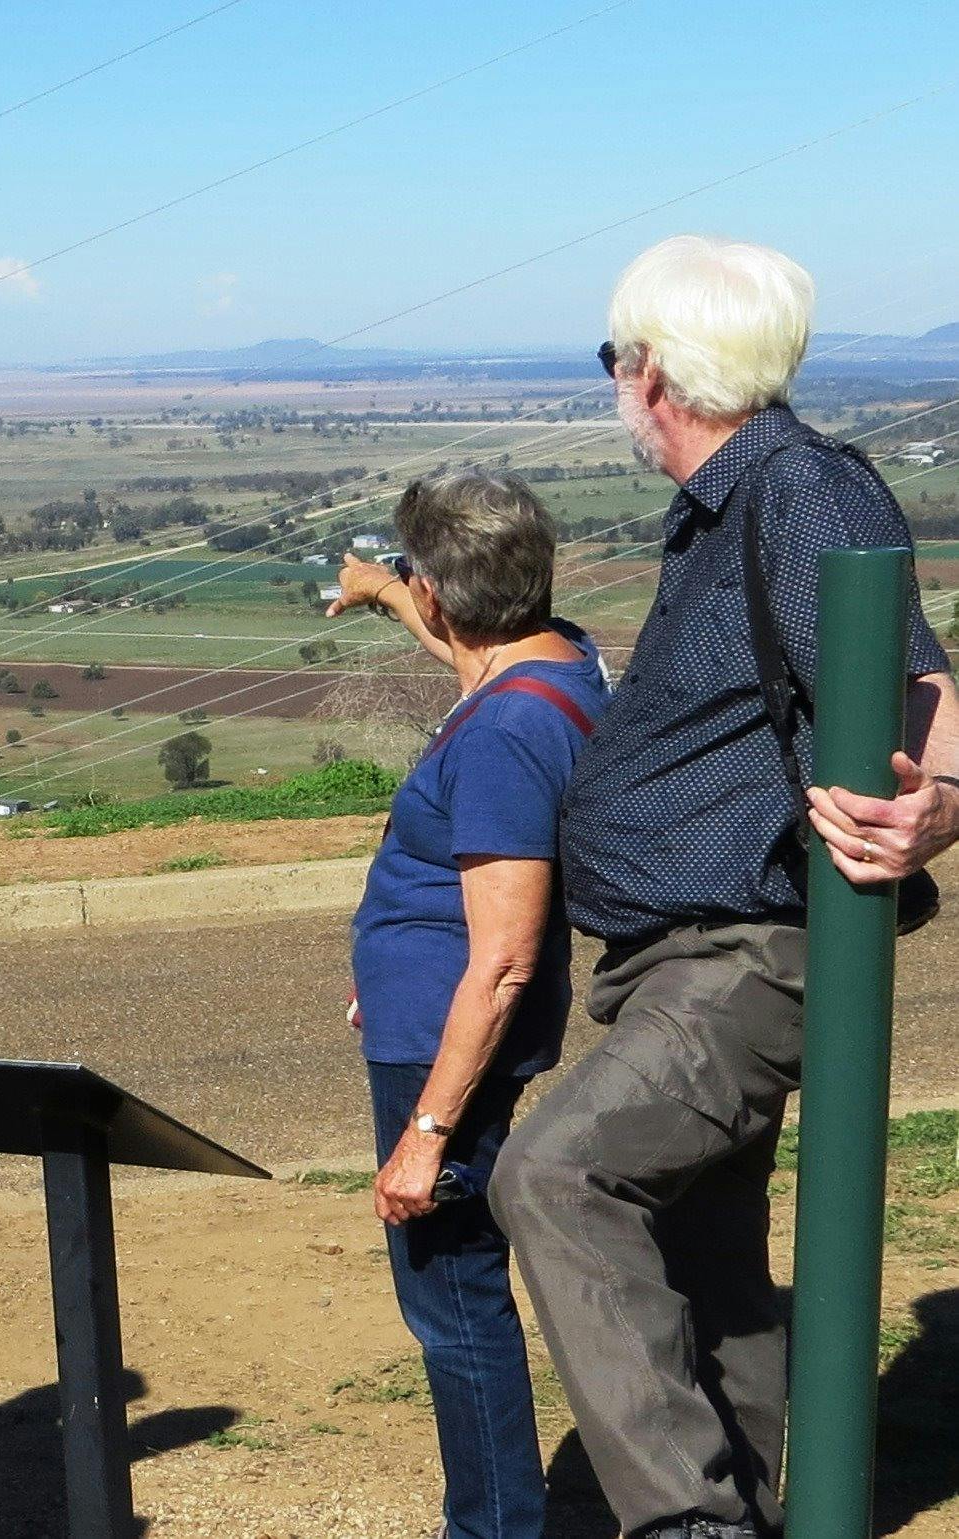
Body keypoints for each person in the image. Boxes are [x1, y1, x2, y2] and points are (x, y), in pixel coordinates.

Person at [488, 235, 959, 1539]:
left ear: (651, 371)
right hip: (684, 953)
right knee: (710, 1276)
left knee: (553, 1174)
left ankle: (690, 1524)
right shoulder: (731, 501)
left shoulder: (800, 491)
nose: (616, 384)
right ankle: (747, 1502)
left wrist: (945, 805)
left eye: (612, 359)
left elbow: (920, 687)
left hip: (740, 958)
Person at [332, 471, 608, 1539]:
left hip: (443, 1044)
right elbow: (470, 652)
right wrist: (382, 591)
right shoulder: (559, 662)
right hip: (440, 1026)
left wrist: (425, 1136)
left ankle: (493, 1527)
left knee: (452, 1302)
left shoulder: (499, 739)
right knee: (458, 1294)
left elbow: (499, 962)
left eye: (415, 577)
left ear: (448, 592)